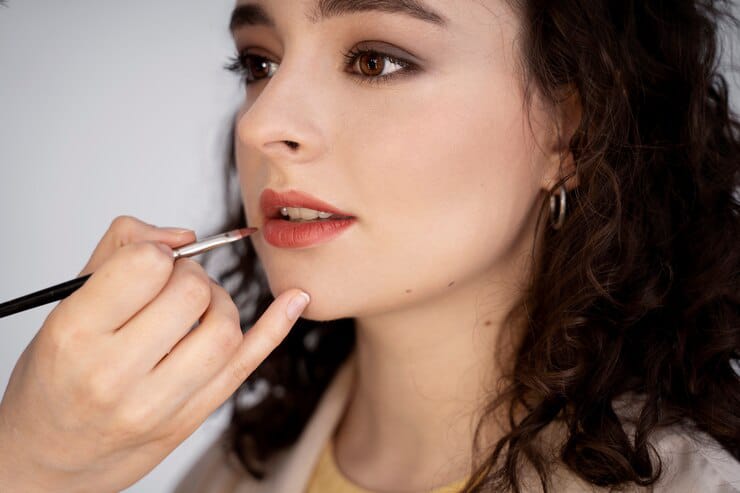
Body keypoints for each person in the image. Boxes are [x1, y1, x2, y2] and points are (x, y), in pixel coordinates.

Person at [1, 0, 738, 492]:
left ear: (570, 129)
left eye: (374, 60)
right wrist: (30, 466)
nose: (262, 125)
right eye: (259, 63)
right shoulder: (231, 473)